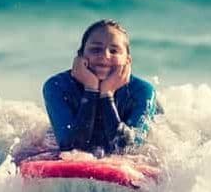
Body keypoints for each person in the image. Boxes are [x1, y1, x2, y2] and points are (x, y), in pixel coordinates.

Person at [42, 19, 159, 155]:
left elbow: (126, 149)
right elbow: (71, 148)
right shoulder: (57, 86)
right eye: (96, 49)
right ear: (81, 56)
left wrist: (107, 93)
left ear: (128, 61)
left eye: (114, 51)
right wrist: (91, 88)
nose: (104, 56)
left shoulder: (143, 92)